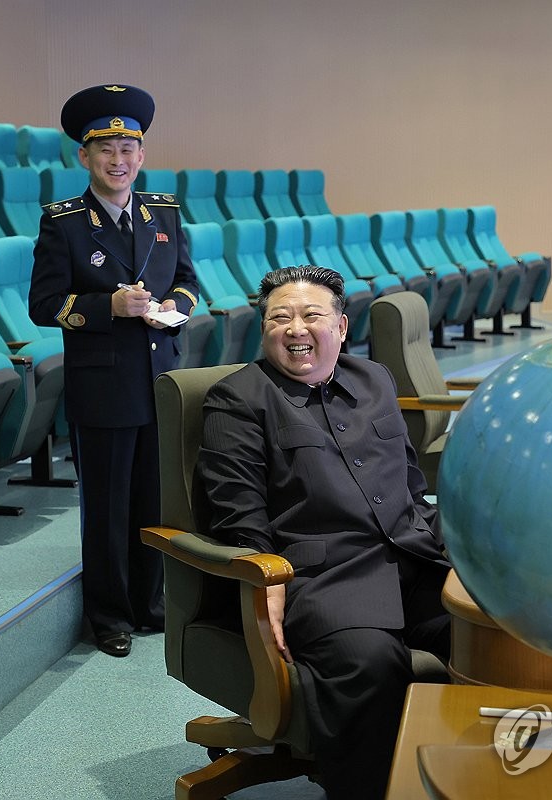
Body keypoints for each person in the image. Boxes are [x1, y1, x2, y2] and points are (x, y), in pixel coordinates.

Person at [194, 266, 451, 800]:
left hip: (412, 561)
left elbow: (407, 480)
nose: (296, 329)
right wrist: (265, 590)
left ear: (340, 324)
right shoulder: (238, 398)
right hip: (324, 578)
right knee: (372, 664)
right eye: (279, 318)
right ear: (262, 329)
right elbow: (235, 513)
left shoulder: (374, 379)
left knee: (498, 632)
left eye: (312, 315)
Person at [29, 84, 199, 658]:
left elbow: (189, 282)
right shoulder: (65, 223)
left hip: (159, 382)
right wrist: (108, 308)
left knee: (153, 502)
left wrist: (176, 306)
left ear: (142, 155)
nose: (119, 160)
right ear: (84, 156)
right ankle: (109, 614)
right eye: (106, 149)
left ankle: (150, 604)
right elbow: (44, 304)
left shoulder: (164, 214)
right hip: (102, 385)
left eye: (129, 148)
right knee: (107, 509)